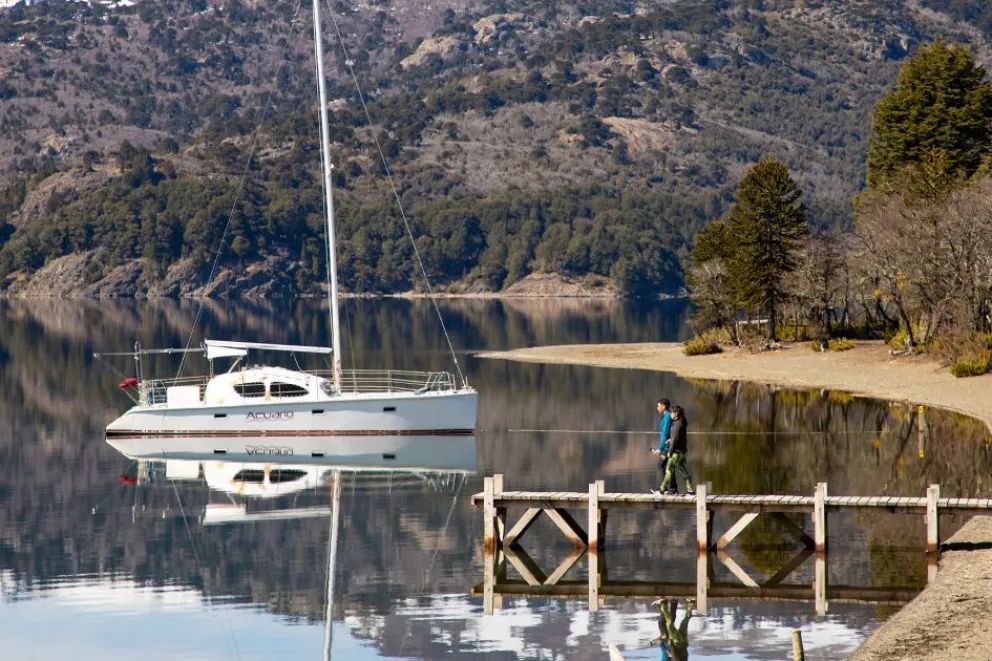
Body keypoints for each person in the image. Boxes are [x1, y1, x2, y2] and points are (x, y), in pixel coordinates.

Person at [660, 405, 693, 495]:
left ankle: (662, 489)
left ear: (676, 413)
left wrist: (670, 451)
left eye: (671, 412)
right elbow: (678, 438)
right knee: (685, 471)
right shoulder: (682, 423)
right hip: (682, 452)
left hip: (676, 453)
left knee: (668, 470)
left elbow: (674, 439)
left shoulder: (676, 425)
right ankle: (690, 490)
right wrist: (670, 440)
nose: (670, 414)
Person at [651, 399, 676, 494]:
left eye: (658, 406)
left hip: (667, 447)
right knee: (668, 467)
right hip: (668, 446)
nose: (657, 408)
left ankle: (664, 488)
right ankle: (673, 489)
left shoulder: (667, 417)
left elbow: (665, 434)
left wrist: (660, 449)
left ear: (664, 406)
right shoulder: (667, 416)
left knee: (661, 465)